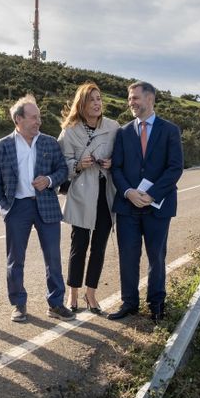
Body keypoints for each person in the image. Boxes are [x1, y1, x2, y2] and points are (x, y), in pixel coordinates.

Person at [0, 95, 74, 322]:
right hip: (17, 208)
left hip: (46, 205)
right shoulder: (2, 145)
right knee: (15, 259)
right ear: (19, 119)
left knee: (53, 258)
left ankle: (55, 304)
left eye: (39, 117)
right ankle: (18, 304)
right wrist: (2, 207)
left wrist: (48, 179)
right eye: (34, 117)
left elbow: (62, 171)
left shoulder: (49, 142)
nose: (39, 121)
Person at [108, 81, 184, 321]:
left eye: (135, 98)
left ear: (150, 99)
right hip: (127, 207)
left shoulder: (170, 130)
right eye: (130, 98)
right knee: (128, 257)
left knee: (156, 257)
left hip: (157, 207)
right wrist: (128, 192)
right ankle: (129, 303)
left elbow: (175, 168)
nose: (131, 102)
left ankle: (157, 305)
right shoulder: (123, 132)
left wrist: (151, 195)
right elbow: (116, 168)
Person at [58, 82, 119, 314]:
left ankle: (91, 294)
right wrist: (77, 165)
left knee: (99, 246)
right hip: (82, 194)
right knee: (79, 245)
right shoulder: (69, 130)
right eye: (91, 99)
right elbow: (61, 165)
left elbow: (121, 157)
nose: (97, 103)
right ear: (81, 104)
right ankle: (72, 293)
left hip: (105, 194)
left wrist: (112, 163)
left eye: (99, 98)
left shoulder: (113, 127)